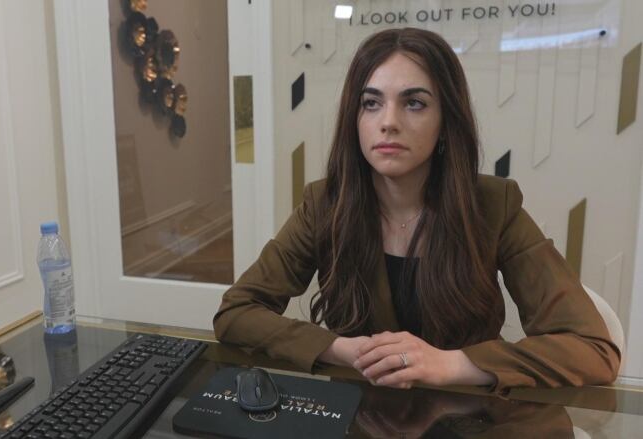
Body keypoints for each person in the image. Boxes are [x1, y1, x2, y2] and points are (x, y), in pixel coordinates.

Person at [213, 27, 620, 394]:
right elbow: (237, 312)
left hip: (469, 419)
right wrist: (341, 350)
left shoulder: (496, 205)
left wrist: (453, 364)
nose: (388, 122)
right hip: (361, 414)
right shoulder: (325, 204)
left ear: (447, 120)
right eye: (371, 103)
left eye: (414, 103)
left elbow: (593, 349)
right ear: (354, 119)